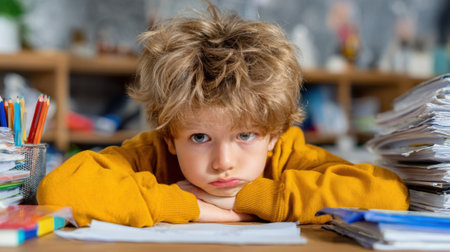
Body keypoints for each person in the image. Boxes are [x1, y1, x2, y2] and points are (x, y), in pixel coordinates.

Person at [37, 3, 409, 227]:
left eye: (245, 136)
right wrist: (191, 206)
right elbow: (60, 190)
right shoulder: (153, 154)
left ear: (275, 134)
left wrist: (258, 198)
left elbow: (388, 195)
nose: (223, 163)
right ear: (170, 136)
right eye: (200, 137)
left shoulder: (289, 155)